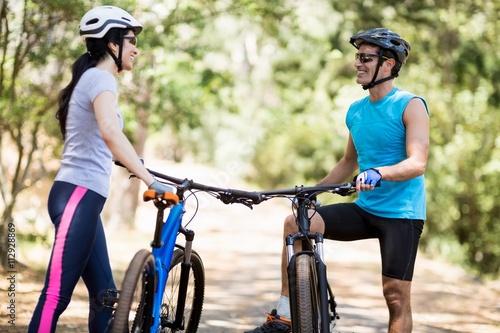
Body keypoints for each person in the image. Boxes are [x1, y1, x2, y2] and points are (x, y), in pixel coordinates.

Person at [246, 28, 429, 333]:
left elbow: (417, 163)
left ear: (388, 63)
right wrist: (313, 192)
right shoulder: (356, 111)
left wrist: (379, 173)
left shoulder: (410, 105)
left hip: (402, 214)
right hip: (365, 209)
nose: (357, 63)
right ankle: (286, 316)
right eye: (357, 56)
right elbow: (348, 162)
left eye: (365, 57)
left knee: (395, 295)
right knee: (296, 223)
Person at [28, 6, 174, 333]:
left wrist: (137, 165)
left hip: (85, 200)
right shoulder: (100, 80)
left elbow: (102, 141)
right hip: (77, 196)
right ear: (112, 44)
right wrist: (150, 180)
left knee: (107, 297)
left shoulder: (95, 80)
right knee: (55, 295)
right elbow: (110, 132)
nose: (136, 49)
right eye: (131, 41)